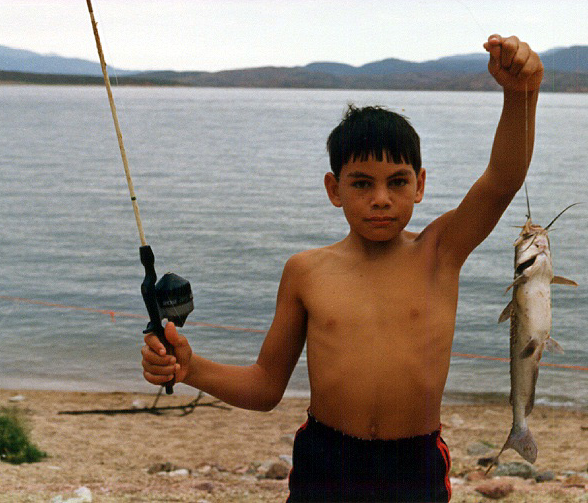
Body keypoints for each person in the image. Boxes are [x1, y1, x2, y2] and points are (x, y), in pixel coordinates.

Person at [141, 33, 544, 502]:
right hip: (326, 462)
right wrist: (191, 367)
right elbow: (265, 387)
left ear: (420, 185)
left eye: (398, 181)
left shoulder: (440, 252)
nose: (380, 198)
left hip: (413, 465)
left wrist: (520, 95)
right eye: (361, 183)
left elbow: (502, 181)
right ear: (334, 189)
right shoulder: (306, 271)